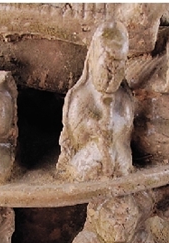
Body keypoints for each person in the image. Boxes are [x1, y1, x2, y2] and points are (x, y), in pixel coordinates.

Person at [57, 21, 134, 181]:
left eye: (118, 67)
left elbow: (126, 127)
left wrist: (114, 126)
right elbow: (77, 135)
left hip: (115, 149)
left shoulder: (123, 97)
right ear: (92, 60)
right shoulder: (81, 96)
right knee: (89, 163)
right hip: (90, 149)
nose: (112, 75)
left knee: (122, 162)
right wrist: (93, 128)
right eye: (107, 66)